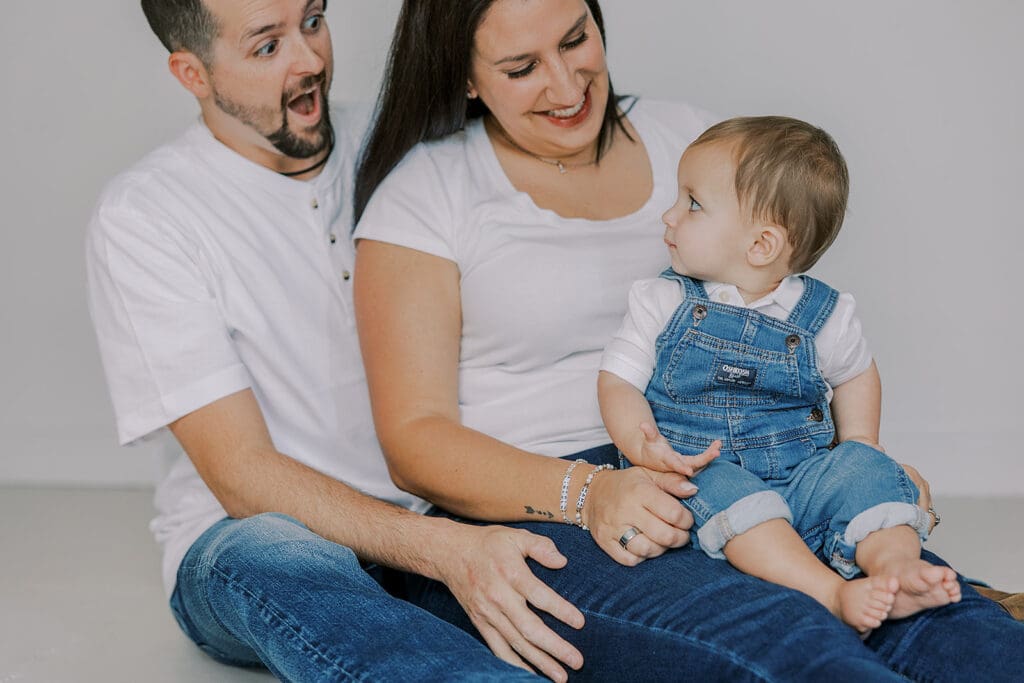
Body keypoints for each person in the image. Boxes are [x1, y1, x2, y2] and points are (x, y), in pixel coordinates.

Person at [352, 0, 1024, 679]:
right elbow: (414, 440)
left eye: (576, 40)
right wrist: (590, 492)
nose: (566, 84)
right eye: (522, 67)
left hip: (746, 462)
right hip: (546, 493)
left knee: (945, 622)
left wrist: (859, 464)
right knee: (785, 639)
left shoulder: (693, 141)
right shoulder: (427, 193)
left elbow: (786, 319)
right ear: (464, 76)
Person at [86, 0, 593, 680]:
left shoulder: (403, 145)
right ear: (193, 73)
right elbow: (241, 476)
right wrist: (440, 547)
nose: (310, 60)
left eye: (314, 21)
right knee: (280, 554)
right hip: (257, 539)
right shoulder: (146, 216)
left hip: (440, 516)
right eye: (267, 47)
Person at [597, 115, 959, 634]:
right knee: (725, 500)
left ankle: (897, 566)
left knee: (867, 474)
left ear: (761, 245)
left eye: (692, 203)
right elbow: (618, 381)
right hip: (706, 465)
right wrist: (641, 443)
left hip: (804, 468)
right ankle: (830, 591)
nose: (670, 215)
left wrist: (860, 442)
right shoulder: (663, 300)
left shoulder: (823, 314)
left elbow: (857, 373)